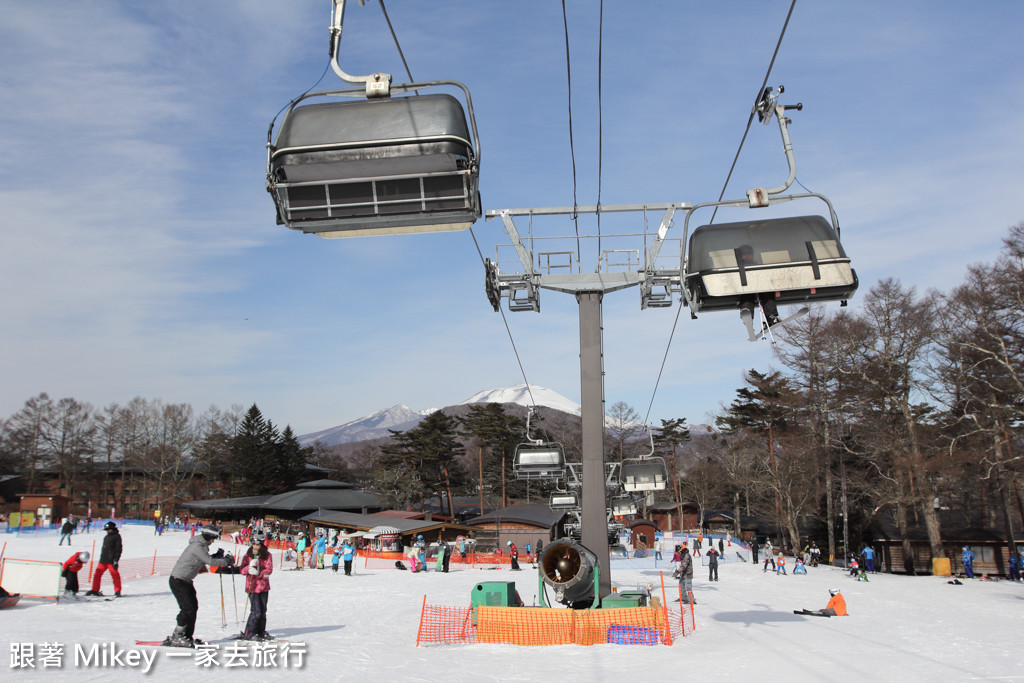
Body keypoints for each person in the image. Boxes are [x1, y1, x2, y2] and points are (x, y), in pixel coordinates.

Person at [165, 524, 234, 647]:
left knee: (193, 608)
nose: (214, 541)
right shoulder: (197, 546)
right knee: (187, 608)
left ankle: (187, 636)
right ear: (208, 536)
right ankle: (178, 636)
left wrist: (217, 556)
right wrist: (226, 561)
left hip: (185, 580)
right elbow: (210, 562)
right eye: (214, 538)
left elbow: (204, 560)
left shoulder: (202, 546)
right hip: (178, 580)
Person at [736, 245, 782, 339]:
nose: (747, 256)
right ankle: (747, 315)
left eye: (749, 254)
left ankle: (771, 316)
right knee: (747, 295)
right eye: (744, 254)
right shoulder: (737, 266)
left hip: (760, 285)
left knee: (767, 293)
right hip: (746, 287)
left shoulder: (757, 264)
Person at [237, 530, 273, 641]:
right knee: (256, 611)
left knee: (262, 611)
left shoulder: (267, 555)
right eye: (253, 544)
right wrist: (249, 569)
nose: (255, 547)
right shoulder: (248, 556)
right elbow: (242, 570)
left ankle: (260, 631)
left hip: (263, 587)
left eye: (257, 544)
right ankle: (250, 632)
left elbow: (269, 570)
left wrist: (260, 573)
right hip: (252, 587)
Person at [86, 521, 122, 597]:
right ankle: (95, 590)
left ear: (113, 529)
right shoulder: (106, 537)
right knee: (97, 574)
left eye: (109, 529)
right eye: (107, 530)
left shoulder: (117, 536)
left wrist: (116, 560)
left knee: (115, 575)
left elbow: (119, 549)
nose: (107, 531)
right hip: (103, 560)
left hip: (111, 560)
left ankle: (117, 591)